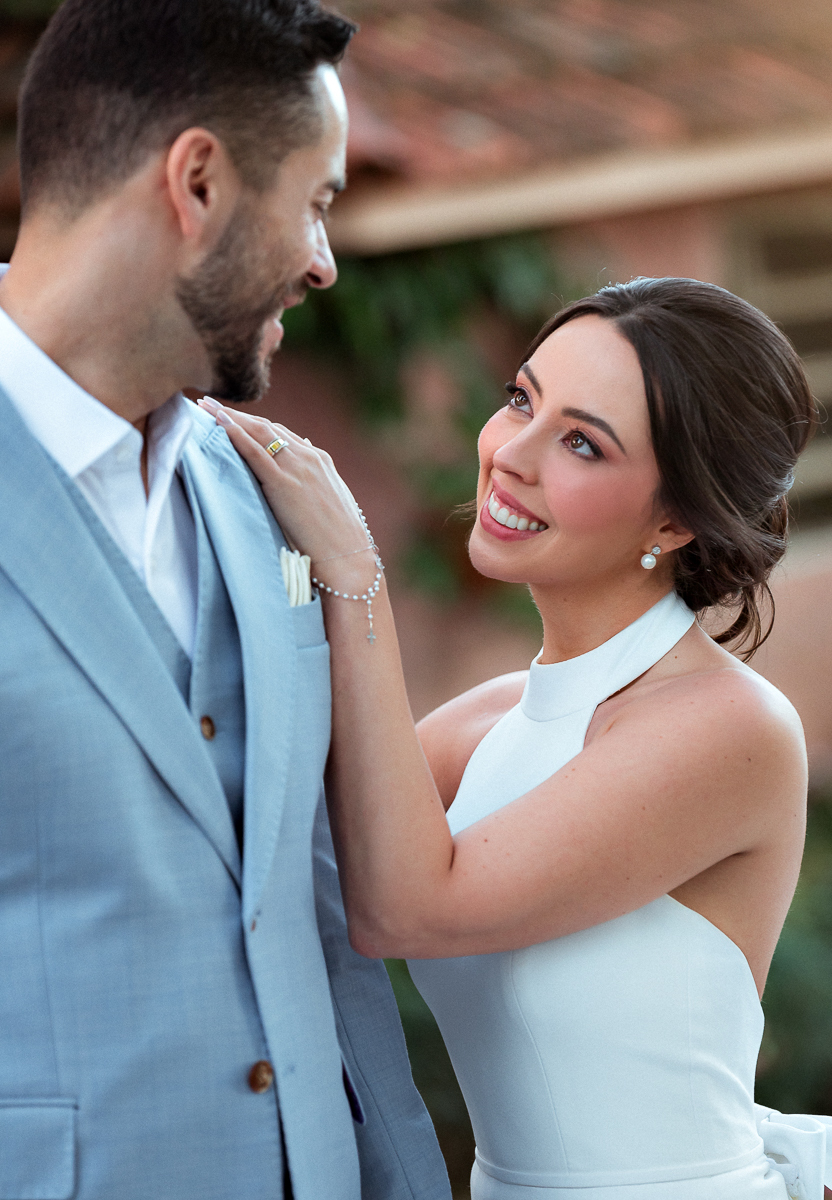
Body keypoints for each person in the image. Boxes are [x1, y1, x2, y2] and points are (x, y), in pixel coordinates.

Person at [210, 276, 832, 1200]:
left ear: (674, 519)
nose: (510, 454)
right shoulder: (486, 724)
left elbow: (404, 909)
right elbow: (267, 818)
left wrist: (352, 570)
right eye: (521, 398)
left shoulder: (731, 730)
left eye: (582, 443)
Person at [0, 3, 449, 1199]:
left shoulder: (273, 504)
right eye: (317, 201)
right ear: (196, 182)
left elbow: (306, 906)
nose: (324, 259)